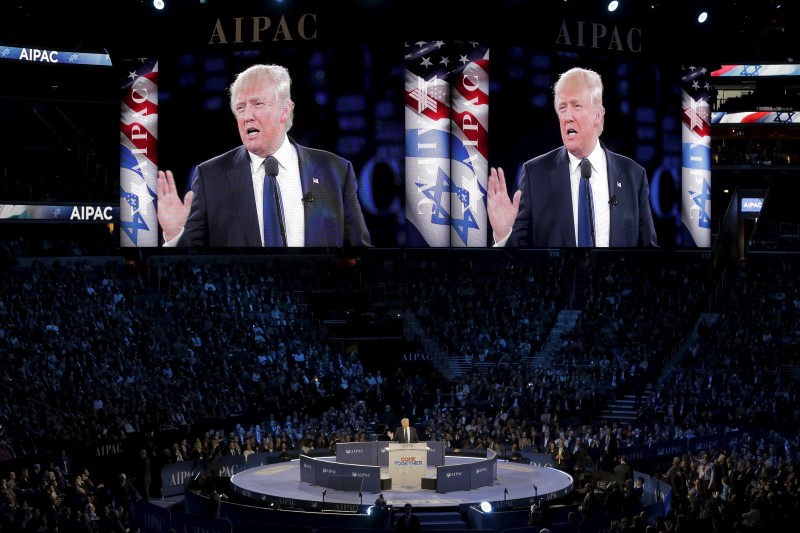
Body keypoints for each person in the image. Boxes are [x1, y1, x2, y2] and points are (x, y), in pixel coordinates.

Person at [157, 63, 372, 248]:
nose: (247, 116)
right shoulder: (211, 175)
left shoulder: (335, 170)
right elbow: (193, 264)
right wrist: (175, 235)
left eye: (257, 104)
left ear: (285, 110)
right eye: (240, 108)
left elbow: (359, 253)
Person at [487, 66, 657, 248]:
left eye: (576, 106)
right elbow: (519, 259)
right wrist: (504, 234)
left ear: (597, 116)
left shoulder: (633, 175)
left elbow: (648, 254)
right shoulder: (535, 173)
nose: (568, 116)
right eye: (562, 108)